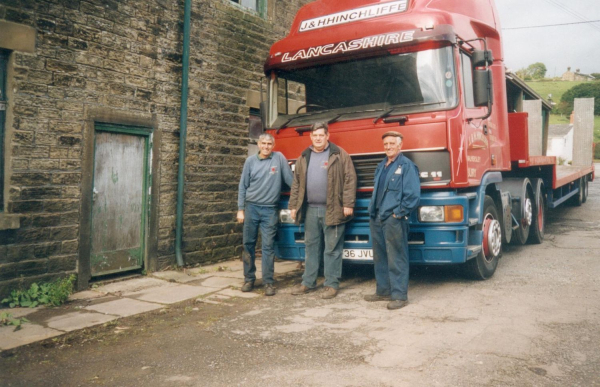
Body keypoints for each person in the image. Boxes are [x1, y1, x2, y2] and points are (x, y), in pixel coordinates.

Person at [289, 122, 357, 299]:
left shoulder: (340, 154)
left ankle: (331, 285)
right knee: (311, 247)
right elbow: (296, 184)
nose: (318, 138)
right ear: (311, 137)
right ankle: (308, 282)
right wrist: (294, 206)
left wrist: (348, 204)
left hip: (333, 209)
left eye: (321, 135)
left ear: (327, 136)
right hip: (310, 210)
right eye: (315, 135)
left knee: (332, 249)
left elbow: (350, 179)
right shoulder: (304, 157)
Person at [365, 131, 420, 310]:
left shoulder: (406, 166)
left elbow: (412, 196)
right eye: (385, 144)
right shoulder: (382, 165)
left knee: (397, 256)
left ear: (400, 145)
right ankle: (383, 291)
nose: (388, 147)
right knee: (380, 256)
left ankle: (399, 296)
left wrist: (398, 213)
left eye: (391, 144)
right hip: (377, 217)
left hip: (393, 219)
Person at [237, 133, 293, 296]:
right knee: (248, 244)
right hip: (252, 207)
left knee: (268, 246)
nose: (266, 146)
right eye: (263, 143)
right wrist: (241, 210)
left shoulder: (279, 158)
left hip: (270, 209)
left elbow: (291, 181)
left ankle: (268, 282)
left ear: (273, 145)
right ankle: (249, 279)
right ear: (258, 145)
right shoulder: (250, 162)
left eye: (269, 144)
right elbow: (243, 186)